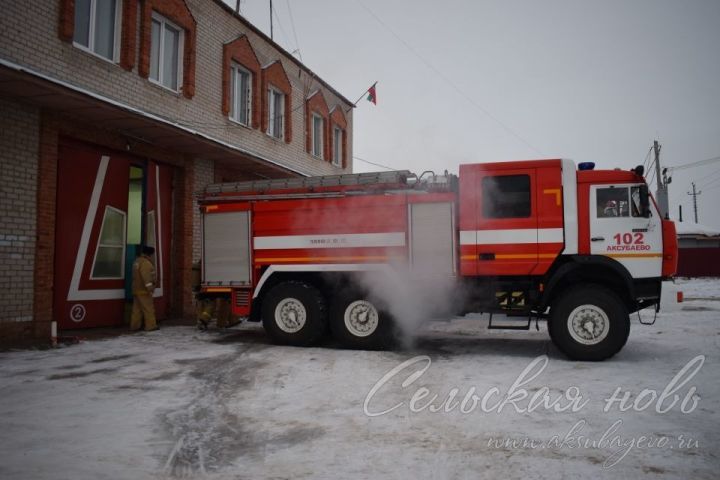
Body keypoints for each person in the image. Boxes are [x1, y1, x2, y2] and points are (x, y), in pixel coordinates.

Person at [131, 246, 158, 331]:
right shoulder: (146, 263)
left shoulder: (137, 261)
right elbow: (146, 277)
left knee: (136, 310)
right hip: (144, 290)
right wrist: (150, 289)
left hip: (136, 289)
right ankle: (151, 326)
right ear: (150, 254)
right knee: (148, 309)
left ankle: (135, 326)